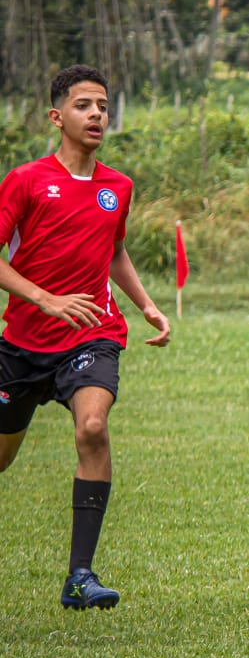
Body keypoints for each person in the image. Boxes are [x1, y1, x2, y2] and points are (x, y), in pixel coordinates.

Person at [0, 64, 172, 610]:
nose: (97, 114)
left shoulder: (117, 186)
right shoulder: (25, 181)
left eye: (102, 105)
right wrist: (46, 299)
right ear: (57, 116)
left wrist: (145, 305)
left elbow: (114, 249)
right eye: (83, 105)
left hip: (92, 334)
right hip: (24, 343)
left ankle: (81, 575)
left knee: (93, 427)